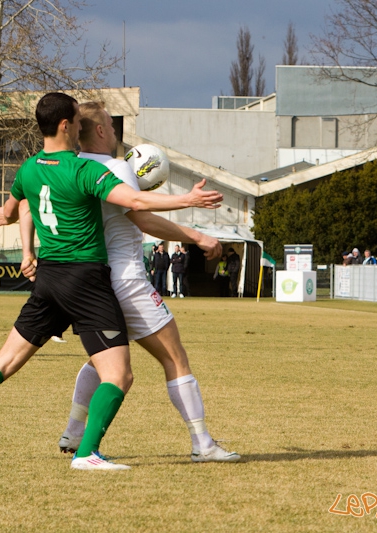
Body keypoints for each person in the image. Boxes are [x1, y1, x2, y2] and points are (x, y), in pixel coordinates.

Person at [0, 92, 222, 470]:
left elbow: (13, 211)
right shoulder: (83, 171)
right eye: (78, 122)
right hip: (85, 279)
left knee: (4, 362)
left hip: (48, 279)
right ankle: (87, 453)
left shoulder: (29, 168)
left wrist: (23, 242)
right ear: (65, 125)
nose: (82, 127)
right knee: (119, 375)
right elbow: (136, 204)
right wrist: (188, 200)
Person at [51, 100, 238, 462]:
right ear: (101, 130)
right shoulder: (117, 167)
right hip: (127, 280)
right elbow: (143, 217)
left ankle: (74, 432)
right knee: (175, 357)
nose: (115, 131)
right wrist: (197, 236)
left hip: (91, 282)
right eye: (111, 124)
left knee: (102, 362)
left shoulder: (73, 168)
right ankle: (202, 443)